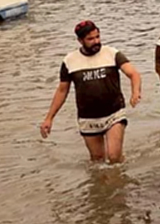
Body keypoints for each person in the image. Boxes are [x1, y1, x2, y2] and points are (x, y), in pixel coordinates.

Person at [40, 21, 142, 164]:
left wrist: (135, 92)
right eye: (91, 39)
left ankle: (119, 182)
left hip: (114, 113)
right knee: (97, 160)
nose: (96, 42)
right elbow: (62, 90)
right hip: (88, 117)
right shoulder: (70, 61)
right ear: (80, 40)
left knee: (114, 157)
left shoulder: (112, 54)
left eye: (98, 37)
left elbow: (133, 74)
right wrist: (49, 118)